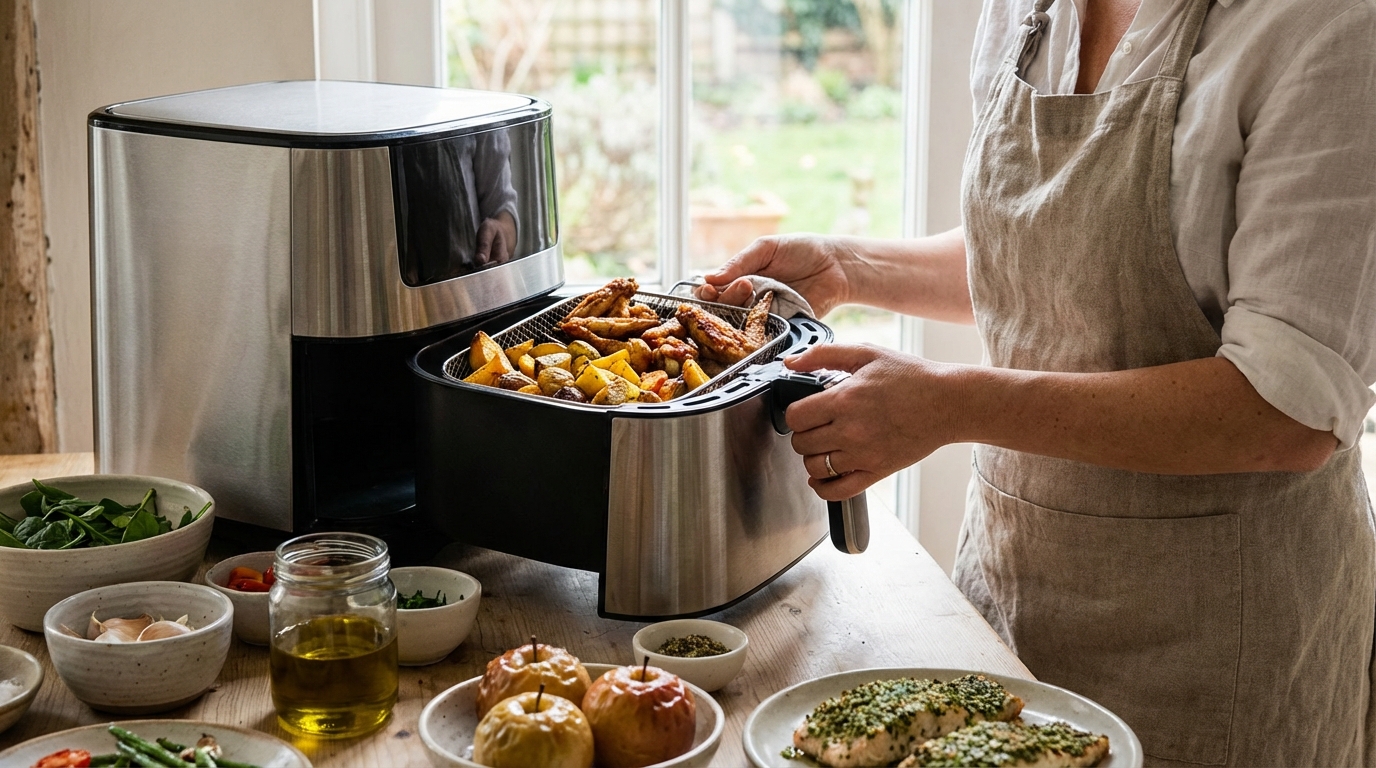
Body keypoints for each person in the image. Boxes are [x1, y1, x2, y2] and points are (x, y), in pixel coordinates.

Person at [697, 0, 1376, 764]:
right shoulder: (1028, 10)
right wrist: (852, 267)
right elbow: (1044, 257)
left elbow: (1288, 411)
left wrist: (951, 403)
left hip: (1223, 643)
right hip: (1011, 592)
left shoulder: (1328, 23)